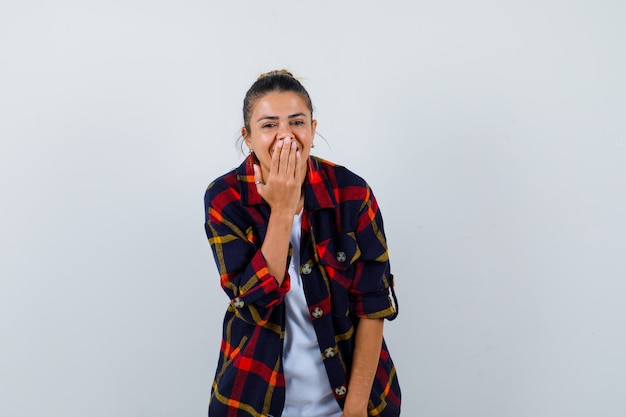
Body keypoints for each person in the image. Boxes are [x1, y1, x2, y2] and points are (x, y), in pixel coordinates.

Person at [204, 70, 401, 417]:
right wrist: (282, 209)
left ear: (312, 128)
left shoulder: (351, 192)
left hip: (348, 400)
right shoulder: (225, 198)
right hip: (254, 398)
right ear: (247, 137)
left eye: (297, 122)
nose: (285, 137)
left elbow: (372, 307)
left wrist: (354, 411)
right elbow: (255, 304)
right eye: (268, 125)